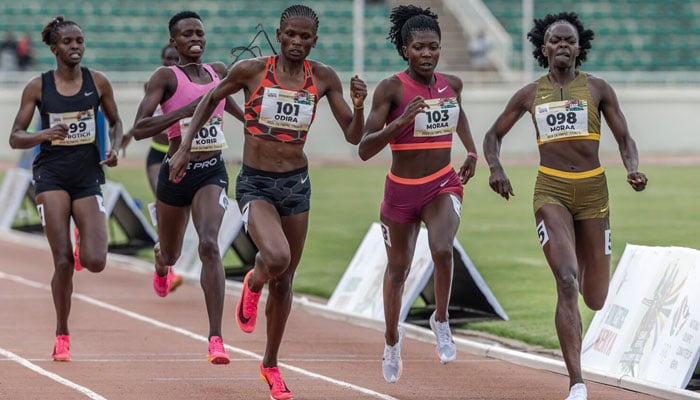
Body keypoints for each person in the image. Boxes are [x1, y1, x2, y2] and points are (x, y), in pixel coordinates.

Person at [167, 4, 367, 399]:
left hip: (297, 184)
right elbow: (209, 100)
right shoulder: (252, 70)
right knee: (277, 259)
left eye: (305, 37)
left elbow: (353, 136)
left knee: (287, 280)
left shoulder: (323, 77)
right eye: (290, 35)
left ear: (314, 40)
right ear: (278, 34)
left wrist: (359, 107)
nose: (296, 42)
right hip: (256, 183)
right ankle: (253, 280)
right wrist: (184, 147)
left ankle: (271, 365)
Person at [481, 12, 647, 400]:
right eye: (555, 40)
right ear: (543, 48)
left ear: (579, 47)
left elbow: (625, 138)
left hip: (593, 193)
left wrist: (633, 168)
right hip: (550, 191)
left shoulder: (598, 89)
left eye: (569, 41)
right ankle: (576, 381)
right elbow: (493, 134)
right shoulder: (529, 94)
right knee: (567, 279)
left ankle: (590, 296)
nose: (562, 46)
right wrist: (495, 167)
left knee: (596, 297)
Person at [357, 5, 478, 383]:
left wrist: (471, 151)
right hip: (400, 193)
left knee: (442, 248)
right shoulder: (391, 89)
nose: (427, 54)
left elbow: (460, 117)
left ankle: (440, 319)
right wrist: (402, 121)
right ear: (405, 50)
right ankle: (392, 339)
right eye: (419, 48)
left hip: (442, 182)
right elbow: (364, 148)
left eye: (433, 47)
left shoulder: (451, 84)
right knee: (398, 270)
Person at [128, 11, 243, 365]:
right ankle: (161, 264)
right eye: (187, 34)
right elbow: (140, 128)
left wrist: (252, 121)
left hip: (212, 170)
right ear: (174, 41)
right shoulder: (165, 77)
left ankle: (215, 339)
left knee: (210, 244)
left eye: (200, 33)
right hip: (175, 173)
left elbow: (229, 104)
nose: (195, 38)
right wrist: (184, 112)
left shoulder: (218, 72)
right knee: (172, 253)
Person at [8, 16, 124, 361]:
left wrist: (116, 148)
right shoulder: (38, 87)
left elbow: (117, 122)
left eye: (79, 41)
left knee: (96, 261)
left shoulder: (98, 82)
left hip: (87, 176)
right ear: (54, 48)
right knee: (61, 262)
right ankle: (62, 333)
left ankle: (81, 243)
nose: (75, 47)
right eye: (68, 42)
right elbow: (15, 136)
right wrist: (44, 134)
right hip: (52, 176)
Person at [123, 43, 184, 292]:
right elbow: (145, 119)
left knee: (183, 216)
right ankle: (167, 267)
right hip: (159, 155)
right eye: (167, 59)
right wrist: (128, 134)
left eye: (175, 59)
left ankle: (169, 256)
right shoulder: (155, 84)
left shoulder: (193, 83)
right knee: (162, 203)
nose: (171, 63)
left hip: (187, 155)